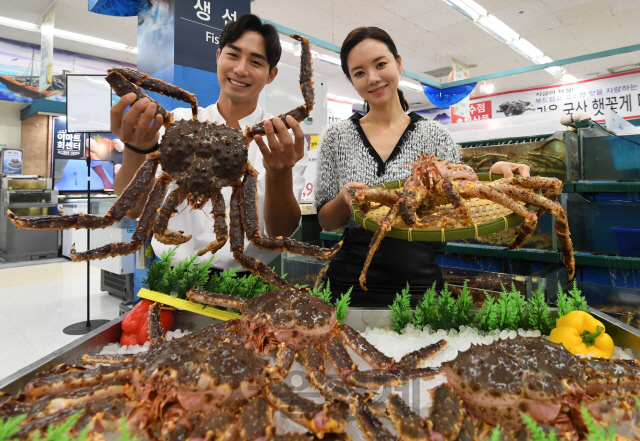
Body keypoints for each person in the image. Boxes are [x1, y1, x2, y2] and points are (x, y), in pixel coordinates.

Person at [315, 26, 529, 307]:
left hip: (419, 284)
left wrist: (493, 173)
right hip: (347, 285)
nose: (373, 78)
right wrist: (344, 199)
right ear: (351, 80)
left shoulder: (435, 135)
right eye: (359, 72)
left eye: (381, 64)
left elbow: (463, 201)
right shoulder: (336, 136)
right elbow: (326, 221)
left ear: (399, 63)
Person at [111, 14, 306, 270]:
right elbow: (132, 210)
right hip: (170, 275)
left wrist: (280, 174)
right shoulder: (177, 124)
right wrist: (135, 149)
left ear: (271, 75)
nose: (240, 69)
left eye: (256, 61)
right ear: (218, 57)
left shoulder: (279, 138)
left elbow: (282, 232)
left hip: (246, 279)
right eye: (233, 55)